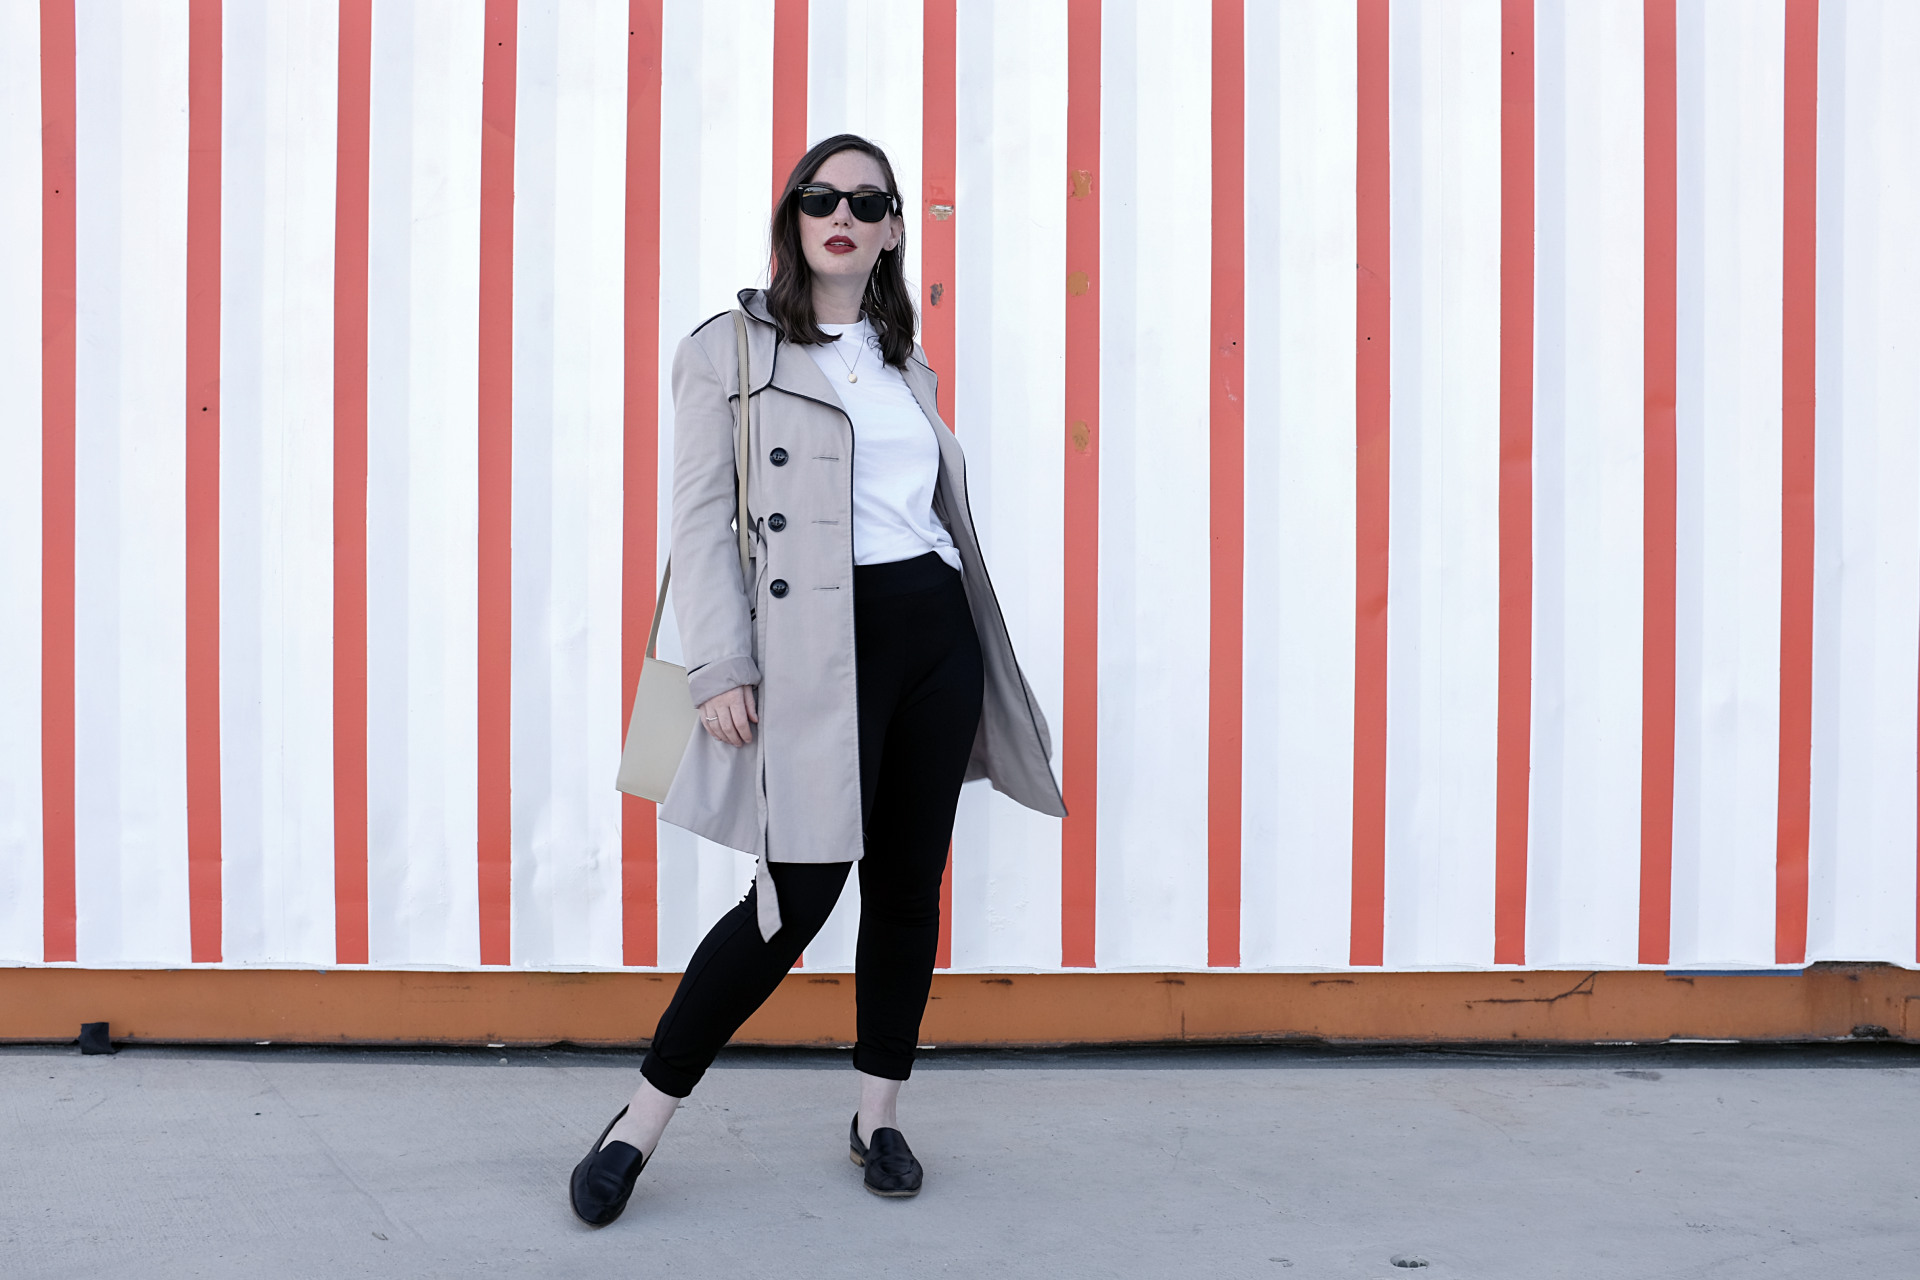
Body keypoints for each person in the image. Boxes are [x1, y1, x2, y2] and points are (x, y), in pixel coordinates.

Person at [569, 133, 1066, 1226]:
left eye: (869, 200)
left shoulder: (903, 357)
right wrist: (719, 661)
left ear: (890, 231)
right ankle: (639, 1119)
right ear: (793, 218)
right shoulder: (728, 349)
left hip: (932, 632)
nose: (843, 213)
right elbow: (699, 517)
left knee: (903, 886)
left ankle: (878, 1113)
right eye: (821, 196)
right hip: (808, 648)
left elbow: (926, 512)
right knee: (790, 897)